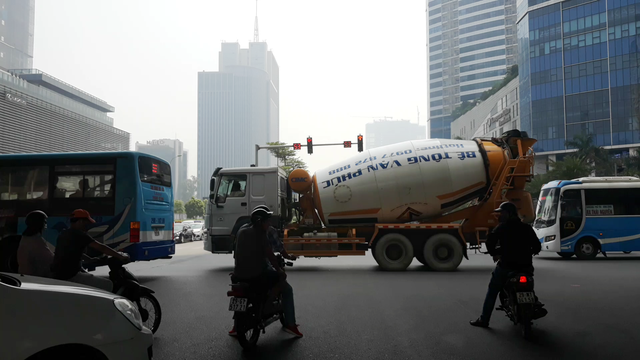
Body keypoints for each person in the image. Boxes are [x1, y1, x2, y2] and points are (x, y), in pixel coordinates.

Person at [230, 205, 303, 338]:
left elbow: (236, 254)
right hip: (257, 275)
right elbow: (270, 255)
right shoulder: (261, 233)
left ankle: (236, 326)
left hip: (238, 274)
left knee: (238, 295)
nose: (269, 223)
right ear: (260, 222)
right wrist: (280, 270)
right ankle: (290, 324)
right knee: (285, 287)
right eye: (267, 221)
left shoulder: (241, 230)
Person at [470, 202, 543, 328]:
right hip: (525, 266)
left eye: (502, 213)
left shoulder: (501, 228)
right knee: (529, 286)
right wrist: (528, 252)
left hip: (506, 267)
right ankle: (535, 303)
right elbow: (537, 246)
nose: (499, 215)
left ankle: (484, 319)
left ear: (509, 214)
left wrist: (496, 253)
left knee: (492, 291)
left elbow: (490, 243)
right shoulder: (526, 228)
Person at [50, 209, 130, 292]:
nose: (87, 226)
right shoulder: (79, 234)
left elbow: (72, 251)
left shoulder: (64, 233)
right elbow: (101, 247)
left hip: (60, 273)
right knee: (108, 284)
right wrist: (120, 256)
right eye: (86, 224)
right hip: (70, 275)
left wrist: (90, 259)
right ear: (80, 221)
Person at [16, 210, 54, 278]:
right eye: (44, 221)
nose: (46, 224)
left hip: (28, 277)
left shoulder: (26, 238)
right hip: (34, 279)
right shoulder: (34, 240)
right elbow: (50, 259)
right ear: (39, 223)